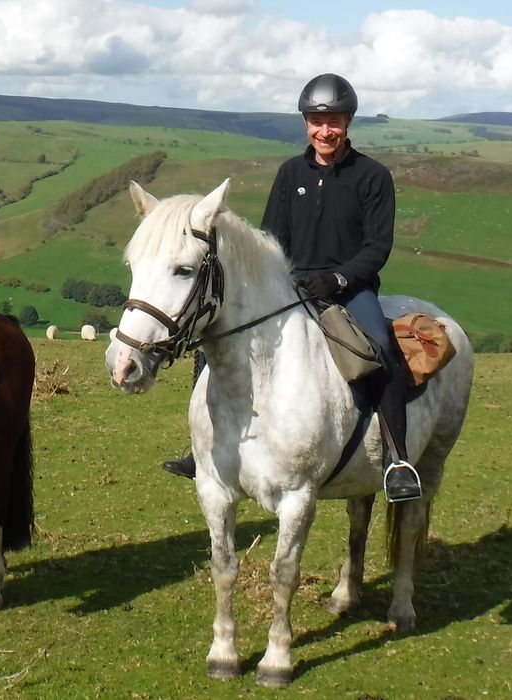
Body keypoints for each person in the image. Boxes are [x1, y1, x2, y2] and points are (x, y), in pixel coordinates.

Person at [162, 73, 422, 502]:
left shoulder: (373, 177)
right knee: (212, 343)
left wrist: (337, 278)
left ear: (349, 122)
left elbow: (377, 247)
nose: (326, 131)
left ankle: (397, 460)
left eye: (334, 121)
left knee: (381, 349)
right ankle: (202, 451)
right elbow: (271, 239)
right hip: (289, 287)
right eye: (317, 122)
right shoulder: (290, 174)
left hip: (349, 289)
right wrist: (280, 280)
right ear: (305, 123)